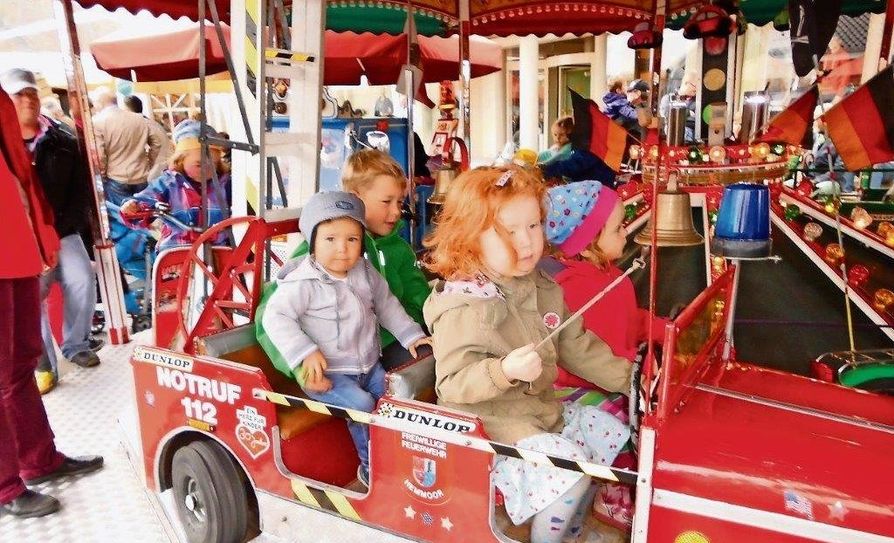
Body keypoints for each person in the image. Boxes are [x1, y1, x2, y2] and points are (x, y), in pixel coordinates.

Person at [422, 166, 634, 543]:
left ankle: (568, 530)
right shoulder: (465, 303)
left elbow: (575, 344)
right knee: (569, 468)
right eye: (508, 231)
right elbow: (452, 384)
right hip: (489, 424)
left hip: (537, 410)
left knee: (610, 433)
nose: (527, 242)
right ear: (470, 238)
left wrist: (631, 379)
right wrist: (503, 370)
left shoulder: (539, 284)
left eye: (534, 226)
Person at [261, 191, 431, 487]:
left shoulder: (364, 272)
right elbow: (274, 317)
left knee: (396, 400)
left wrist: (411, 335)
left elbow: (388, 305)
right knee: (363, 405)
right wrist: (304, 353)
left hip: (369, 366)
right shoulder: (303, 282)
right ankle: (371, 469)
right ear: (312, 242)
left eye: (352, 239)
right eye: (330, 239)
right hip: (328, 375)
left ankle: (396, 455)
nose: (342, 249)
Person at [0, 86, 104, 519]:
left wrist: (41, 236)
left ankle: (38, 460)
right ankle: (6, 486)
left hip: (17, 244)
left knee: (21, 361)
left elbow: (20, 174)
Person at [543, 181, 668, 530]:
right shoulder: (574, 287)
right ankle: (612, 497)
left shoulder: (613, 275)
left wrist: (664, 330)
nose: (626, 231)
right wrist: (635, 376)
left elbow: (630, 320)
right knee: (627, 424)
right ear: (586, 244)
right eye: (617, 227)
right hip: (579, 385)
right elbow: (586, 354)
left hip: (617, 373)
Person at [256, 149, 431, 372]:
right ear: (356, 198)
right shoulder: (319, 250)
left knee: (433, 357)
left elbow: (417, 295)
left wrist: (435, 325)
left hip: (390, 338)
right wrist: (300, 366)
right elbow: (269, 314)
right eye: (387, 202)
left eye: (400, 202)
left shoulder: (398, 248)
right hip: (339, 358)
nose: (397, 211)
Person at [1, 68, 100, 394]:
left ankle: (76, 344)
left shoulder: (62, 141)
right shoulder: (8, 144)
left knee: (82, 278)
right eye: (19, 95)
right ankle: (43, 365)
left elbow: (80, 189)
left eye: (31, 93)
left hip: (59, 228)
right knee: (31, 298)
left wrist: (62, 227)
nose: (27, 100)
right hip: (19, 238)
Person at [120, 119, 229, 251]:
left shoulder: (224, 184)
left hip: (218, 249)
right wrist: (134, 207)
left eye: (214, 164)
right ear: (180, 160)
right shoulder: (167, 183)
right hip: (177, 249)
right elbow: (146, 200)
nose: (207, 169)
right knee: (165, 267)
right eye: (199, 164)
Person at [91, 86, 162, 206]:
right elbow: (157, 143)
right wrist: (151, 164)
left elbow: (100, 156)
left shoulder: (97, 122)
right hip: (142, 175)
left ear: (98, 103)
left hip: (116, 177)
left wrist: (102, 176)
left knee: (124, 218)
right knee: (144, 216)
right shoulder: (138, 118)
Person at [123, 94, 173, 182]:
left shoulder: (139, 124)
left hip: (159, 167)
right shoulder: (149, 122)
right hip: (166, 163)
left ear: (128, 110)